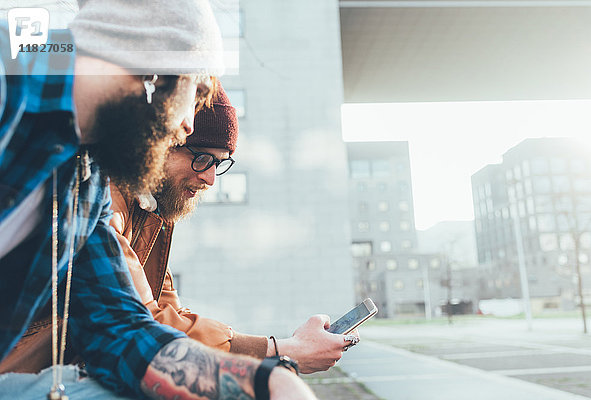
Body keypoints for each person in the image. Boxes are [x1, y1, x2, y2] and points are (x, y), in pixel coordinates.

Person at [0, 1, 315, 399]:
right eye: (196, 96)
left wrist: (266, 380)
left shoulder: (87, 179)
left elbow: (121, 332)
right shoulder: (10, 84)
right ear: (154, 74)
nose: (186, 128)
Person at [109, 80, 357, 374]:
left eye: (219, 164)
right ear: (162, 143)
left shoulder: (149, 212)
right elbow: (146, 323)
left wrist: (279, 350)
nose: (210, 179)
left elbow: (170, 314)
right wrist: (282, 349)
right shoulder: (109, 201)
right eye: (202, 158)